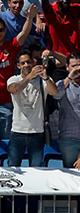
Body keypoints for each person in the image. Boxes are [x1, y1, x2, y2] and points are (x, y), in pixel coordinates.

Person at [7, 50, 58, 167]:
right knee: (13, 166)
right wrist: (30, 76)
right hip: (17, 131)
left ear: (33, 63)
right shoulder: (13, 79)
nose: (26, 65)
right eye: (23, 63)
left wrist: (45, 77)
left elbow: (54, 92)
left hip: (37, 132)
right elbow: (13, 89)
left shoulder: (43, 80)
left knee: (36, 168)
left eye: (28, 62)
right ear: (18, 65)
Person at [0, 4, 37, 139]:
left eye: (2, 30)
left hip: (5, 103)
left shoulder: (10, 46)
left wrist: (30, 18)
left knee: (6, 143)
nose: (0, 32)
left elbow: (23, 34)